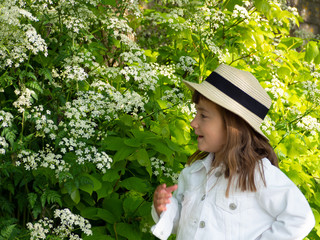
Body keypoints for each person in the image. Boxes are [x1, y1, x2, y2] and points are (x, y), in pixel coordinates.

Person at [151, 64, 315, 240]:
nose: (193, 122)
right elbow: (181, 224)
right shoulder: (192, 173)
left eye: (203, 115)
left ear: (233, 126)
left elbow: (300, 218)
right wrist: (165, 208)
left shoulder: (258, 174)